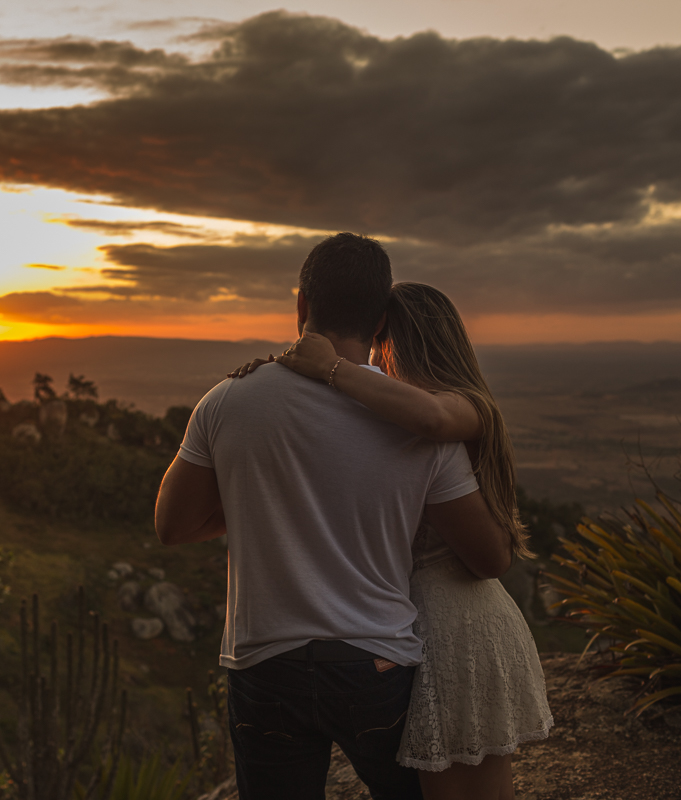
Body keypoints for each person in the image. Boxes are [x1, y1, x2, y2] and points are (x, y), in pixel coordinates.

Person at [155, 235, 512, 800]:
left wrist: (262, 502)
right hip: (376, 660)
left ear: (302, 305)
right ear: (380, 321)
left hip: (264, 658)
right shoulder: (417, 420)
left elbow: (172, 525)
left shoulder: (225, 401)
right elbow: (488, 557)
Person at [232, 282, 552, 800]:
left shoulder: (461, 408)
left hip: (455, 625)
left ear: (395, 340)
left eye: (380, 343)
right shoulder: (392, 412)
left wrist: (331, 369)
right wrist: (272, 380)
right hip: (404, 625)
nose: (374, 358)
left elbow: (432, 423)